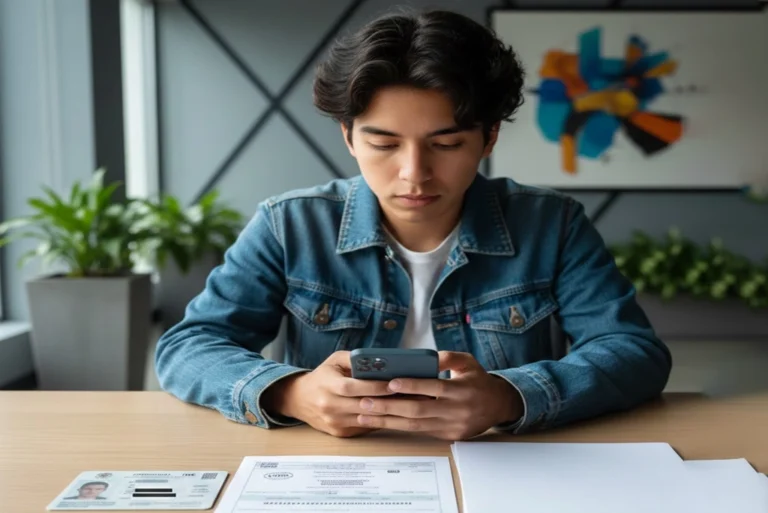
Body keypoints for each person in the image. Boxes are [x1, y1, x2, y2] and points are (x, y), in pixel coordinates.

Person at [155, 9, 671, 441]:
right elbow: (189, 346)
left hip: (500, 466)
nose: (414, 173)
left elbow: (633, 352)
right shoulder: (290, 225)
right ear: (348, 137)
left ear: (489, 137)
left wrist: (509, 398)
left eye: (446, 144)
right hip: (335, 471)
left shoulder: (551, 224)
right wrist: (292, 392)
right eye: (383, 144)